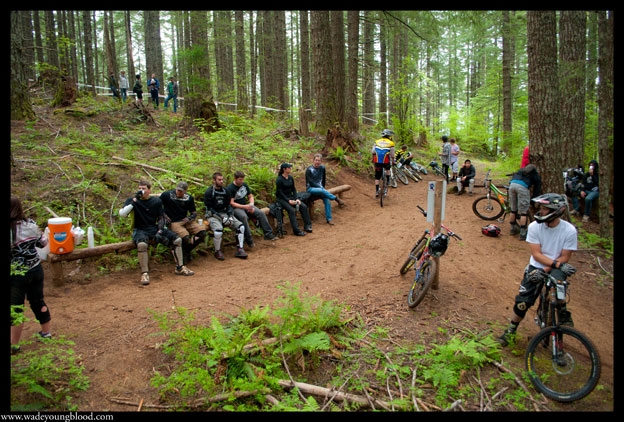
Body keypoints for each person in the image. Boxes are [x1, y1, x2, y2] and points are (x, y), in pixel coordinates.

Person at [497, 193, 577, 347]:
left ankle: (562, 314)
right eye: (540, 207)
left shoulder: (569, 230)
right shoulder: (534, 227)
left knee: (559, 286)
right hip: (539, 264)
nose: (541, 211)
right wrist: (550, 267)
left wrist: (550, 268)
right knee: (523, 301)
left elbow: (565, 256)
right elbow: (537, 254)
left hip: (557, 264)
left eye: (545, 208)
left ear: (556, 210)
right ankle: (511, 329)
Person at [119, 181, 194, 285]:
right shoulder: (132, 201)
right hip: (139, 229)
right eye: (140, 188)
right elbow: (122, 214)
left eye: (144, 188)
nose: (141, 190)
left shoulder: (156, 201)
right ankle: (144, 273)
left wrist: (160, 230)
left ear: (149, 190)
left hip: (153, 228)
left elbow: (161, 217)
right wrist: (134, 201)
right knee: (142, 245)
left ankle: (180, 267)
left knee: (177, 240)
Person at [10, 197, 52, 354]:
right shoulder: (31, 225)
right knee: (37, 300)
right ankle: (46, 332)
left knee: (15, 307)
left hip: (16, 274)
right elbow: (43, 242)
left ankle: (14, 344)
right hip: (35, 269)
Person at [203, 172, 248, 260]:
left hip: (225, 213)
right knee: (218, 231)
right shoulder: (209, 192)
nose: (221, 181)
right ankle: (217, 251)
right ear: (214, 180)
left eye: (222, 179)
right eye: (219, 180)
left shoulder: (225, 191)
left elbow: (229, 205)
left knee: (241, 227)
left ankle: (240, 249)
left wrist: (230, 215)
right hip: (212, 215)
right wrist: (221, 217)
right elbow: (209, 208)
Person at [160, 181, 207, 264]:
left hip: (185, 220)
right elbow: (158, 206)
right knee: (185, 237)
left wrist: (190, 218)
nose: (178, 192)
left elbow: (194, 212)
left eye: (181, 191)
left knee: (202, 232)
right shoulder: (166, 195)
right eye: (177, 190)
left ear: (185, 191)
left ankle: (187, 250)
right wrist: (164, 216)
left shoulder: (189, 198)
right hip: (173, 221)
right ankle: (183, 254)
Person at [226, 170, 277, 246]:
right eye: (240, 179)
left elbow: (250, 196)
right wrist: (245, 207)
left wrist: (251, 205)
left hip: (246, 206)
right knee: (244, 217)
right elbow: (232, 203)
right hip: (236, 208)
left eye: (243, 179)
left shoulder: (244, 185)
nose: (241, 181)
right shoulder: (230, 188)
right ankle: (249, 240)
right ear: (235, 178)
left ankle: (268, 234)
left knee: (260, 213)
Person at [305, 154, 345, 225]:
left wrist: (322, 187)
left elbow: (323, 179)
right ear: (313, 161)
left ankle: (329, 219)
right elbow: (310, 182)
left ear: (321, 161)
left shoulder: (322, 168)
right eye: (316, 160)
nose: (317, 162)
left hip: (321, 189)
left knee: (327, 200)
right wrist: (321, 189)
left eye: (319, 160)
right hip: (311, 189)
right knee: (321, 191)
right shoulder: (309, 170)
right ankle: (336, 199)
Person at [275, 163, 312, 236]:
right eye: (289, 168)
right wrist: (288, 200)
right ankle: (296, 231)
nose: (290, 169)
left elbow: (294, 189)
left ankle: (307, 225)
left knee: (303, 206)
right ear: (284, 169)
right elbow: (280, 192)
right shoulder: (279, 180)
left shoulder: (290, 178)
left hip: (290, 196)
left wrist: (296, 198)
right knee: (291, 210)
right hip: (282, 199)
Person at [508, 164, 542, 240]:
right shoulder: (535, 175)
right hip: (522, 188)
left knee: (513, 209)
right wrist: (534, 199)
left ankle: (512, 229)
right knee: (523, 212)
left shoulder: (520, 170)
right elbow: (537, 188)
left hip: (512, 185)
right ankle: (523, 233)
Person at [371, 129, 396, 197]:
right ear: (389, 136)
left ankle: (376, 191)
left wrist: (372, 159)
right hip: (385, 161)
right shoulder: (391, 143)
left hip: (377, 160)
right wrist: (393, 161)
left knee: (377, 176)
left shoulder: (376, 141)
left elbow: (373, 151)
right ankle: (388, 180)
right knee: (388, 168)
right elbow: (392, 154)